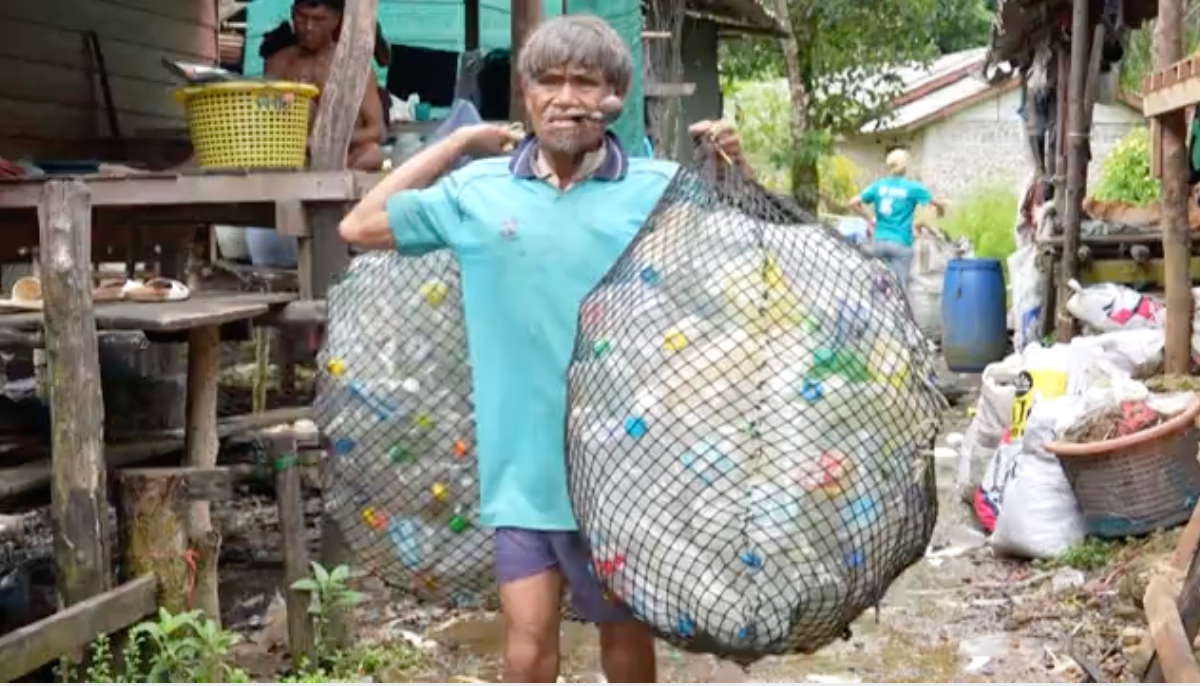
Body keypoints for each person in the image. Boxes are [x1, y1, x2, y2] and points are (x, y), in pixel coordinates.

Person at [337, 14, 747, 683]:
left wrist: (736, 164)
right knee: (526, 651)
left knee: (625, 645)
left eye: (584, 82)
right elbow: (358, 225)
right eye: (548, 82)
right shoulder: (478, 192)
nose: (565, 97)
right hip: (520, 468)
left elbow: (750, 244)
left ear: (614, 98)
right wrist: (457, 141)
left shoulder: (658, 189)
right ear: (525, 96)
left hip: (622, 469)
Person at [262, 0, 386, 171]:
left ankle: (336, 180)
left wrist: (328, 141)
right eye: (302, 17)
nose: (308, 27)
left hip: (343, 156)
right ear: (292, 12)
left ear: (336, 20)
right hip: (292, 154)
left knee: (373, 154)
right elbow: (262, 108)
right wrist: (289, 101)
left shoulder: (353, 65)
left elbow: (377, 130)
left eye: (319, 19)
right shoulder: (278, 62)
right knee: (301, 104)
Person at [848, 148, 946, 291]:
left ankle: (878, 299)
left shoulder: (878, 186)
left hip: (879, 243)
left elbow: (852, 203)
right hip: (901, 244)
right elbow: (939, 204)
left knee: (878, 287)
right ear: (905, 167)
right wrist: (941, 212)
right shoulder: (912, 188)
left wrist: (870, 219)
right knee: (900, 291)